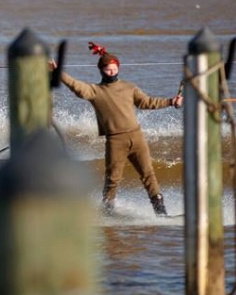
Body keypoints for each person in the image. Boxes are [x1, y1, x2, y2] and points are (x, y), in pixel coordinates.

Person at [53, 42, 182, 216]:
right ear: (101, 70)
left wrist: (171, 101)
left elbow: (147, 102)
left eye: (114, 68)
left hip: (137, 138)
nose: (112, 71)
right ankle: (108, 210)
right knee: (113, 179)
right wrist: (57, 72)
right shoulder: (95, 91)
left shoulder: (129, 87)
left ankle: (161, 212)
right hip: (115, 141)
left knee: (148, 174)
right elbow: (77, 86)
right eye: (108, 69)